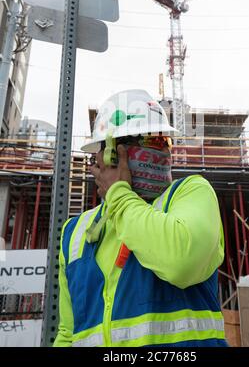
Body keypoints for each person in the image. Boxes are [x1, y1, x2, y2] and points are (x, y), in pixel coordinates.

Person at [54, 89, 227, 347]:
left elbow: (181, 261)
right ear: (112, 154)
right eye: (152, 141)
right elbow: (69, 333)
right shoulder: (74, 233)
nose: (164, 152)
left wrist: (118, 195)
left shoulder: (191, 193)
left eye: (164, 142)